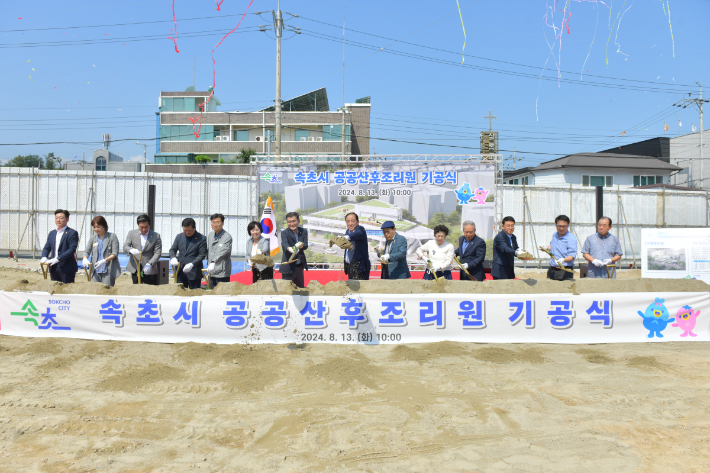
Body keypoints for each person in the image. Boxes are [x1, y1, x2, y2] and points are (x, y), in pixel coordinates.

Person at [40, 209, 79, 284]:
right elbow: (47, 247)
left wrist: (58, 258)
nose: (58, 220)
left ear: (67, 219)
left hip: (66, 268)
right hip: (53, 267)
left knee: (66, 290)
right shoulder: (52, 233)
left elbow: (72, 249)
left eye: (61, 218)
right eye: (56, 218)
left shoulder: (72, 233)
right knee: (55, 290)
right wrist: (44, 256)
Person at [123, 214, 162, 285]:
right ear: (138, 225)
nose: (144, 230)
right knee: (136, 288)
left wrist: (150, 264)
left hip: (149, 267)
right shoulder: (131, 233)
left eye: (146, 227)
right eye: (141, 227)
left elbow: (158, 252)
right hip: (135, 265)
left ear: (149, 225)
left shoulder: (156, 236)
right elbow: (125, 246)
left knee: (150, 288)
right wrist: (130, 250)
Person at [169, 218, 207, 289]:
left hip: (194, 272)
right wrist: (173, 257)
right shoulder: (179, 236)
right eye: (184, 230)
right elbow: (172, 250)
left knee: (195, 294)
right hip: (180, 271)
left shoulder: (201, 238)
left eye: (189, 230)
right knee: (180, 293)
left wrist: (192, 264)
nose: (187, 232)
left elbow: (202, 255)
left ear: (194, 228)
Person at [83, 216, 121, 286]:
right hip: (95, 270)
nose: (96, 229)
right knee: (95, 290)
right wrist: (85, 258)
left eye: (98, 227)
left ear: (104, 226)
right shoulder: (92, 238)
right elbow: (87, 251)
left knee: (107, 290)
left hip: (108, 269)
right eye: (94, 227)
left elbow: (115, 253)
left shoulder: (112, 236)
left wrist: (104, 261)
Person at [280, 212, 308, 288]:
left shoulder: (304, 231)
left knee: (300, 289)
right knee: (287, 290)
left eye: (294, 221)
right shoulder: (284, 233)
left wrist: (300, 246)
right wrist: (291, 249)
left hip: (299, 266)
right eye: (289, 222)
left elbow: (306, 245)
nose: (292, 224)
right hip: (288, 266)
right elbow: (284, 243)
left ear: (298, 221)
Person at [205, 213, 232, 288]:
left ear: (222, 223)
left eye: (217, 222)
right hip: (211, 271)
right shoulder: (210, 235)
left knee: (222, 294)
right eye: (213, 222)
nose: (215, 224)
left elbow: (225, 251)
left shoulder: (227, 237)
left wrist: (214, 262)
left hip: (222, 272)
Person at [491, 216, 523, 280]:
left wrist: (521, 252)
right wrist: (516, 252)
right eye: (508, 226)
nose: (510, 228)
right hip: (500, 270)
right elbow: (505, 249)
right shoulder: (499, 237)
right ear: (503, 226)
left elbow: (515, 248)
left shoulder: (513, 237)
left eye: (512, 225)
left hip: (509, 270)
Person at [547, 215, 577, 281]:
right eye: (559, 226)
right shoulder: (555, 235)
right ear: (556, 225)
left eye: (564, 226)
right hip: (552, 269)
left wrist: (563, 260)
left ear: (568, 225)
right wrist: (546, 248)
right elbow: (553, 247)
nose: (561, 228)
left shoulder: (571, 238)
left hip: (564, 270)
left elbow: (572, 256)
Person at [343, 212, 371, 280]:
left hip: (360, 269)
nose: (350, 224)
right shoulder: (347, 231)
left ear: (357, 222)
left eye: (353, 221)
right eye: (348, 221)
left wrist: (347, 237)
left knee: (361, 289)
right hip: (350, 267)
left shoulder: (361, 229)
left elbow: (357, 234)